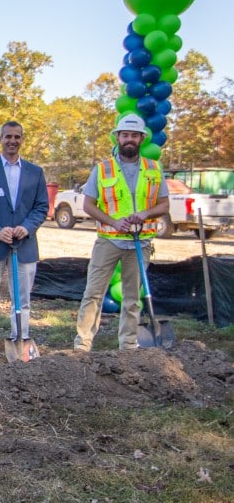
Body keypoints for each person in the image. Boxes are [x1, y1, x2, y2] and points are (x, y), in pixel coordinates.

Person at [73, 114, 169, 351]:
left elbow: (164, 205)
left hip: (140, 242)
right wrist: (114, 222)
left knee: (132, 298)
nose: (129, 139)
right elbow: (88, 206)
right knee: (93, 293)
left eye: (134, 135)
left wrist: (145, 214)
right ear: (117, 137)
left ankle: (128, 344)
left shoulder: (154, 169)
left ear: (141, 139)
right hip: (109, 241)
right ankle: (82, 345)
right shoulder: (102, 169)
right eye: (125, 135)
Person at [0, 120, 49, 360]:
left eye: (17, 137)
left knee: (22, 297)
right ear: (0, 139)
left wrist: (27, 227)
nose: (12, 141)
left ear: (22, 139)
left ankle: (21, 339)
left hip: (24, 245)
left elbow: (41, 206)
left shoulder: (35, 173)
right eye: (8, 137)